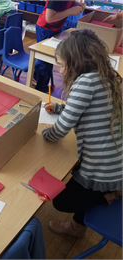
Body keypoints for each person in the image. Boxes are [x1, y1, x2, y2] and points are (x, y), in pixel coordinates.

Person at [42, 29, 122, 237]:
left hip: (103, 171)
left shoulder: (85, 83)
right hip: (117, 164)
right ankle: (78, 227)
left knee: (60, 201)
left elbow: (61, 130)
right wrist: (60, 109)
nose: (59, 71)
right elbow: (88, 108)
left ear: (74, 62)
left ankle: (106, 196)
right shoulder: (106, 77)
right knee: (76, 183)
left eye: (60, 65)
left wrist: (45, 135)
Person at [33, 0, 83, 93]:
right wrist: (70, 11)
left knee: (46, 60)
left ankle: (36, 78)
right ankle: (40, 90)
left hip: (55, 28)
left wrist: (74, 3)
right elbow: (49, 18)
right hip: (45, 28)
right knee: (45, 61)